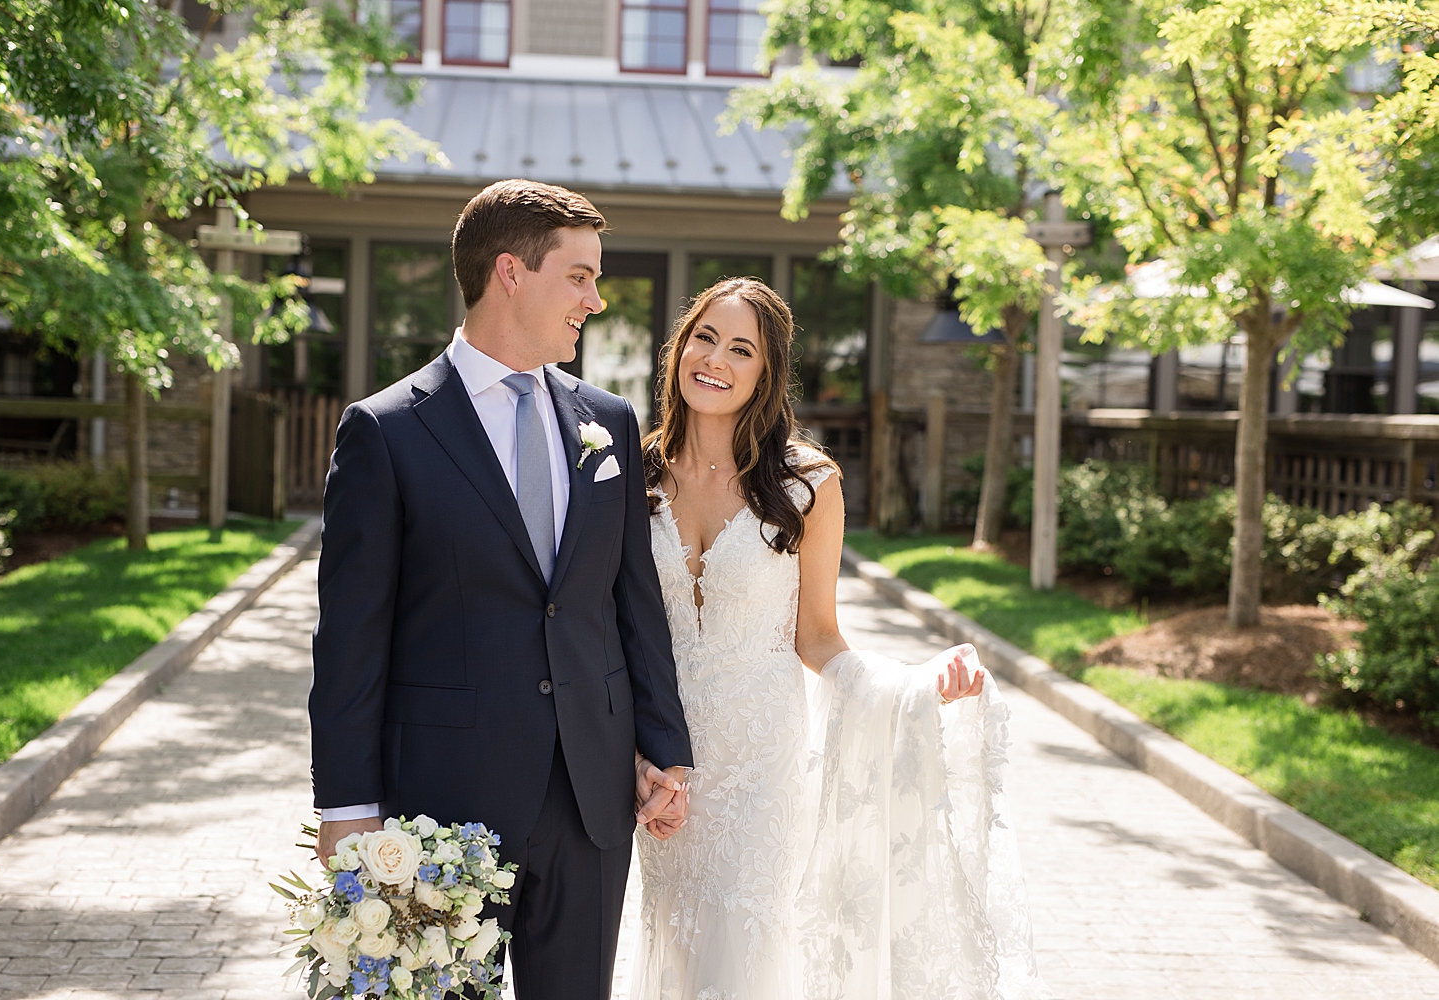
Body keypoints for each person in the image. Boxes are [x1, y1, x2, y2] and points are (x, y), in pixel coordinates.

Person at [308, 179, 694, 1000]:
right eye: (579, 276)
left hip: (590, 800)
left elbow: (630, 600)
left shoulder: (609, 421)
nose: (594, 298)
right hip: (444, 803)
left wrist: (663, 748)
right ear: (511, 272)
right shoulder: (387, 431)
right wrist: (345, 804)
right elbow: (350, 640)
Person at [631, 277, 1050, 1000]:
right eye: (704, 337)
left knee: (742, 951)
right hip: (666, 765)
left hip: (761, 764)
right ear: (679, 348)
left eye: (741, 349)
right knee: (676, 941)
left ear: (766, 374)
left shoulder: (807, 483)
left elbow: (819, 637)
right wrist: (638, 754)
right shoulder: (632, 473)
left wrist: (912, 684)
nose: (715, 360)